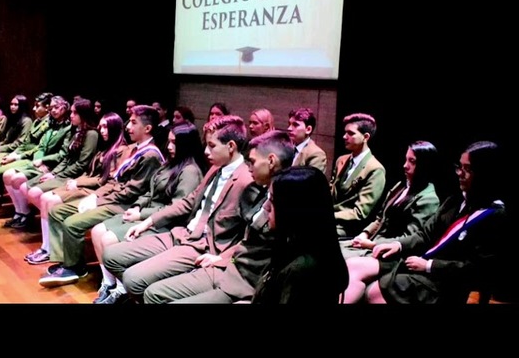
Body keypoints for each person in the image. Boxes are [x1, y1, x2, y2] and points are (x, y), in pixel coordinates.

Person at [100, 115, 258, 304]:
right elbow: (187, 202)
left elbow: (249, 235)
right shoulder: (216, 168)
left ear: (231, 146)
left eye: (212, 145)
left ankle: (146, 293)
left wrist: (222, 258)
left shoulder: (247, 181)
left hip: (202, 246)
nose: (206, 151)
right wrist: (148, 221)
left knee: (134, 280)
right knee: (111, 256)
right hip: (182, 233)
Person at [344, 140, 507, 304]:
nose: (460, 173)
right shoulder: (454, 200)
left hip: (445, 281)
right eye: (460, 167)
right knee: (353, 266)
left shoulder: (494, 215)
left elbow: (477, 269)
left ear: (485, 174)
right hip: (419, 263)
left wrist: (430, 265)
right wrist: (398, 245)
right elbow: (424, 234)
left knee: (374, 291)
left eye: (468, 169)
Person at [142, 129, 295, 304]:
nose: (249, 166)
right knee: (153, 292)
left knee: (157, 296)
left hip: (245, 283)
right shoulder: (260, 190)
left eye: (252, 161)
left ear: (271, 161)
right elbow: (246, 240)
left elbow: (275, 261)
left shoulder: (285, 203)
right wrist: (222, 258)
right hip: (227, 265)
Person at [37, 105, 165, 287]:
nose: (128, 127)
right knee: (58, 211)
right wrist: (95, 197)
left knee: (71, 223)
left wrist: (98, 200)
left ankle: (75, 267)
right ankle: (66, 260)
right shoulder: (133, 149)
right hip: (113, 198)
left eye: (134, 123)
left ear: (147, 128)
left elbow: (132, 191)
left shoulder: (150, 155)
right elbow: (114, 182)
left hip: (126, 205)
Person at [91, 121, 207, 303]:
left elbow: (177, 209)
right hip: (147, 213)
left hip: (164, 224)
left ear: (186, 145)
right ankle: (109, 283)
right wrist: (137, 206)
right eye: (169, 141)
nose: (169, 147)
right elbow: (149, 192)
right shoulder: (171, 163)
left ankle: (121, 291)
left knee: (108, 239)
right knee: (97, 231)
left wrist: (142, 216)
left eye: (175, 143)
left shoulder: (190, 171)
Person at [24, 111, 127, 264]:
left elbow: (104, 180)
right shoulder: (105, 147)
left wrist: (78, 183)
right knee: (45, 198)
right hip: (86, 184)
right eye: (101, 127)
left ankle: (54, 252)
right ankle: (47, 247)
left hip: (95, 191)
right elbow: (88, 171)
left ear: (116, 127)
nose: (102, 131)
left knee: (50, 201)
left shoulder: (120, 150)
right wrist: (75, 181)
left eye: (106, 127)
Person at [251, 166, 349, 304]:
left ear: (294, 209)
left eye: (273, 200)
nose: (266, 207)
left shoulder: (303, 270)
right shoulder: (293, 245)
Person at [8, 97, 99, 229]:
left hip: (74, 176)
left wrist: (56, 175)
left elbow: (81, 164)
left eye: (75, 113)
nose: (71, 115)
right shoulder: (77, 131)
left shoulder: (91, 134)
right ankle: (52, 223)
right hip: (62, 172)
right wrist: (54, 173)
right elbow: (66, 158)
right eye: (71, 112)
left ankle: (55, 223)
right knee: (25, 187)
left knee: (35, 193)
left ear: (84, 115)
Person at [340, 140, 440, 259]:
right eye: (406, 159)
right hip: (371, 243)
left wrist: (372, 245)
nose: (405, 165)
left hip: (389, 253)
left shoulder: (428, 199)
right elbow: (380, 219)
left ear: (425, 165)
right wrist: (364, 234)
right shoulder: (400, 186)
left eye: (412, 162)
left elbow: (409, 238)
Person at [0, 95, 72, 226]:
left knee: (17, 179)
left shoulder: (68, 129)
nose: (53, 111)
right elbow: (41, 147)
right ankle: (19, 212)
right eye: (51, 108)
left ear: (65, 108)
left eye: (57, 107)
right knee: (7, 175)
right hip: (39, 163)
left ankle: (28, 214)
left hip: (54, 166)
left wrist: (43, 160)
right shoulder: (51, 125)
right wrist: (38, 160)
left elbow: (62, 155)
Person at [330, 112, 386, 238]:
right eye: (345, 132)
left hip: (349, 227)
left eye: (351, 133)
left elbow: (360, 213)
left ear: (366, 137)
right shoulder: (342, 160)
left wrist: (327, 215)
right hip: (329, 220)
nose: (344, 137)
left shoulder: (375, 169)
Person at [286, 107, 327, 173]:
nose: (289, 128)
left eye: (295, 125)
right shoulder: (286, 148)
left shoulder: (316, 154)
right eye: (289, 124)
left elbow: (311, 182)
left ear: (308, 129)